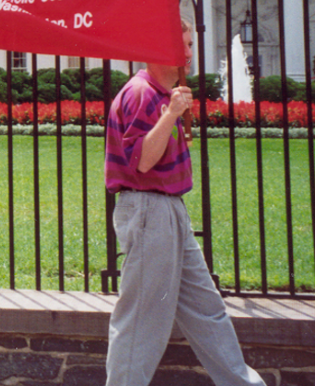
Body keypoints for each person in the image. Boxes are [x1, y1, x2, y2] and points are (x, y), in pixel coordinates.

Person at [104, 19, 263, 386]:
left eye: (190, 45)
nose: (189, 54)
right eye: (183, 46)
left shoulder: (163, 95)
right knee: (141, 322)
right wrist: (172, 115)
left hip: (168, 209)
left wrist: (174, 119)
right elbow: (142, 160)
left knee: (207, 311)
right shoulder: (141, 93)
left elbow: (159, 154)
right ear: (157, 51)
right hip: (148, 211)